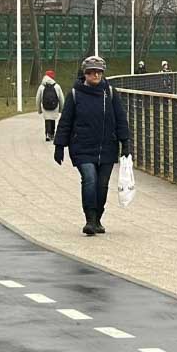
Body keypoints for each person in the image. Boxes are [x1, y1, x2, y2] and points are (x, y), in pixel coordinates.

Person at [53, 56, 132, 236]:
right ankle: (89, 219)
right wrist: (59, 145)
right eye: (91, 72)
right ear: (85, 74)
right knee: (89, 179)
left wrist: (125, 141)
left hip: (107, 147)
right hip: (82, 147)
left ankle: (98, 219)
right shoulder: (75, 94)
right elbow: (66, 121)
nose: (95, 75)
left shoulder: (110, 93)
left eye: (98, 72)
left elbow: (121, 118)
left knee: (102, 185)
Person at [35, 70, 64, 142]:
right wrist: (61, 109)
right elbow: (61, 99)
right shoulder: (57, 86)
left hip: (45, 107)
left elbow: (38, 99)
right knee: (53, 119)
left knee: (47, 119)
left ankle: (47, 134)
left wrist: (39, 110)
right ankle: (52, 134)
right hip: (55, 106)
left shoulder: (41, 87)